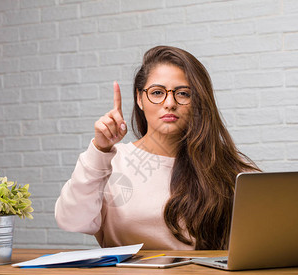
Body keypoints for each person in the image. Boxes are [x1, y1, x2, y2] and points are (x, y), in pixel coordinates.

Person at [55, 45, 259, 251]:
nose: (169, 103)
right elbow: (72, 221)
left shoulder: (229, 169)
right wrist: (100, 149)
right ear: (139, 98)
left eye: (183, 94)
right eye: (157, 92)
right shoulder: (110, 161)